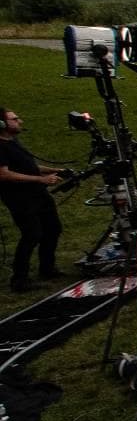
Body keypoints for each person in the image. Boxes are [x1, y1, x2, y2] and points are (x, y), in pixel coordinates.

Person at [0, 107, 65, 291]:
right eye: (14, 119)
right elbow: (4, 174)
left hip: (38, 194)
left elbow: (28, 165)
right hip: (20, 198)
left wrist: (55, 170)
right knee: (32, 234)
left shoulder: (13, 141)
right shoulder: (0, 147)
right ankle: (19, 279)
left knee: (52, 228)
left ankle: (47, 268)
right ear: (1, 124)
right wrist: (40, 179)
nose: (19, 121)